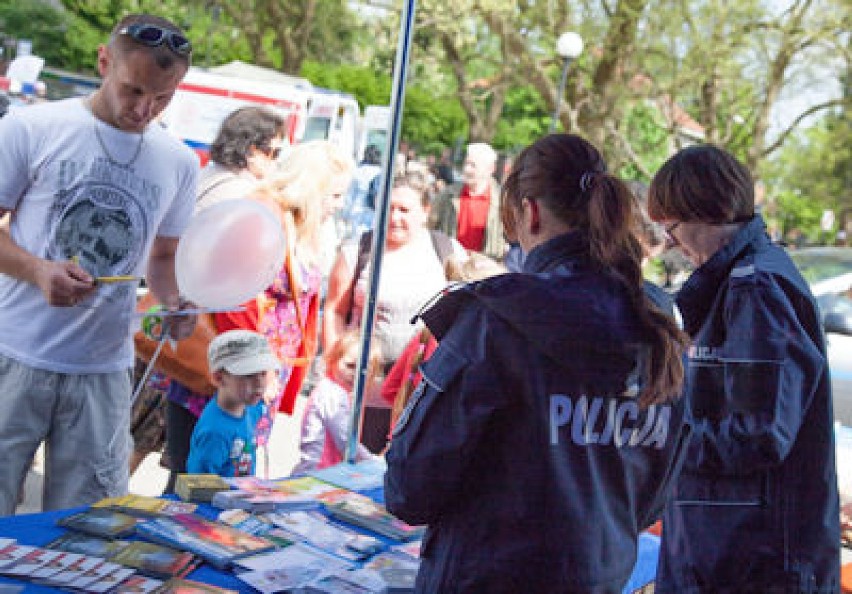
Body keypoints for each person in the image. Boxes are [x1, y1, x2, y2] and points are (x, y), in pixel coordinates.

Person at [384, 133, 690, 593]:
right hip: (597, 576)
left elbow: (410, 487)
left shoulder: (499, 317)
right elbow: (653, 495)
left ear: (530, 212)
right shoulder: (657, 320)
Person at [0, 14, 198, 515]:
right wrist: (38, 270)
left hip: (103, 369)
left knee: (90, 523)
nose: (144, 109)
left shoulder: (177, 160)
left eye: (163, 97)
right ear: (103, 61)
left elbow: (164, 257)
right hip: (15, 354)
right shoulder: (32, 127)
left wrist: (175, 302)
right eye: (133, 91)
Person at [648, 145, 840, 592]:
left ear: (707, 213)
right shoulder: (739, 283)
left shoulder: (757, 289)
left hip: (751, 560)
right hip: (728, 550)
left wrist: (658, 444)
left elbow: (758, 433)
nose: (671, 243)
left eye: (672, 227)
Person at [158, 105, 287, 493]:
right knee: (199, 465)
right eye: (274, 153)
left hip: (191, 334)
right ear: (252, 151)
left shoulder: (206, 179)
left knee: (184, 451)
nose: (277, 163)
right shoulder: (242, 196)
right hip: (216, 338)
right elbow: (237, 287)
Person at [215, 140, 354, 478]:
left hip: (261, 372)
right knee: (212, 472)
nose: (340, 204)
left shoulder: (302, 225)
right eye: (334, 195)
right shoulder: (265, 216)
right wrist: (254, 368)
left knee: (237, 470)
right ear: (311, 188)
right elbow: (236, 298)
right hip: (237, 372)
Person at [324, 171, 467, 453]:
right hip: (363, 391)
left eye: (404, 210)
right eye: (388, 208)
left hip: (420, 393)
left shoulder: (448, 252)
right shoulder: (357, 251)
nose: (394, 218)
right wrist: (338, 365)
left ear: (425, 211)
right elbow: (334, 311)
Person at [186, 330, 280, 477]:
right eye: (249, 375)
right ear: (218, 378)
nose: (260, 383)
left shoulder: (250, 407)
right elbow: (199, 485)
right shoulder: (214, 432)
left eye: (263, 373)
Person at [291, 329, 382, 475]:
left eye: (364, 369)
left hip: (327, 470)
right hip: (318, 472)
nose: (355, 374)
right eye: (350, 366)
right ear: (333, 360)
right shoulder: (331, 393)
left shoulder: (339, 391)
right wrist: (370, 461)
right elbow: (345, 439)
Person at [196, 106, 287, 210]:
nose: (275, 160)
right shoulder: (246, 192)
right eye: (274, 153)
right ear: (251, 151)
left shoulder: (205, 173)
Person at [430, 142, 507, 260]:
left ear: (490, 169)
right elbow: (431, 225)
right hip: (451, 267)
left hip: (486, 271)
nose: (466, 169)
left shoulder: (503, 201)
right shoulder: (448, 195)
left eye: (473, 165)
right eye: (466, 164)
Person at [340, 144, 382, 240]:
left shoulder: (357, 172)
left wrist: (345, 214)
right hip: (372, 211)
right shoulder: (380, 172)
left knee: (356, 239)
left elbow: (349, 195)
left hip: (357, 210)